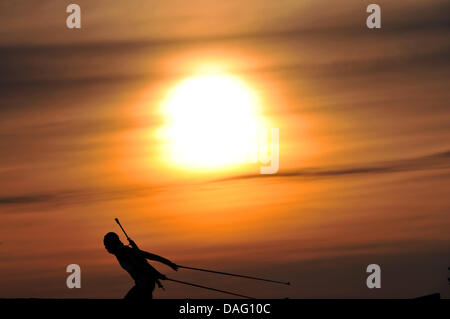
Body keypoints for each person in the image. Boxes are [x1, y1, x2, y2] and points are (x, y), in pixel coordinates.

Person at [103, 232, 178, 300]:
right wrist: (167, 265)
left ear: (112, 244)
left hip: (144, 285)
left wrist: (158, 273)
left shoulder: (123, 252)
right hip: (144, 285)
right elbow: (145, 259)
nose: (106, 248)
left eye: (106, 244)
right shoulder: (124, 251)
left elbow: (143, 264)